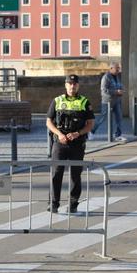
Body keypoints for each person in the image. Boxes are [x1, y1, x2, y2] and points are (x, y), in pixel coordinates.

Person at [45, 74, 95, 214]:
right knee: (56, 173)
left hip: (77, 143)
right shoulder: (57, 101)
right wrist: (59, 134)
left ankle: (73, 204)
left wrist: (78, 133)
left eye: (75, 84)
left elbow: (90, 124)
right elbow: (49, 121)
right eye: (70, 84)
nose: (72, 86)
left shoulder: (85, 102)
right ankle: (54, 203)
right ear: (65, 85)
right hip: (60, 142)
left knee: (75, 174)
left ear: (78, 85)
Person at [90, 62, 127, 142]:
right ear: (111, 68)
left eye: (118, 68)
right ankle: (91, 132)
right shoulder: (106, 77)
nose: (118, 70)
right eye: (116, 68)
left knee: (119, 117)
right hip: (107, 101)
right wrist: (116, 92)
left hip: (116, 101)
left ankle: (118, 135)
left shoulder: (117, 77)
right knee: (102, 118)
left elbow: (119, 85)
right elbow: (104, 90)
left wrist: (122, 89)